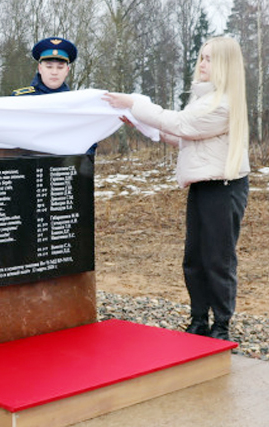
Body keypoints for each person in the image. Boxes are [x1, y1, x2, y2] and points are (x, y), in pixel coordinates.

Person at [101, 36, 250, 341]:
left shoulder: (223, 103)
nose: (202, 63)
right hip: (202, 186)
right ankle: (198, 319)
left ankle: (221, 324)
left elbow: (183, 125)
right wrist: (145, 126)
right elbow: (185, 136)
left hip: (223, 187)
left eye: (209, 59)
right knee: (194, 257)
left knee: (218, 259)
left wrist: (136, 104)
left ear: (225, 65)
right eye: (202, 57)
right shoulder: (204, 99)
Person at [12, 37, 78, 96]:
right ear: (40, 68)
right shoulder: (20, 99)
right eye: (49, 67)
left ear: (67, 70)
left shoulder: (76, 103)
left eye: (60, 67)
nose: (54, 72)